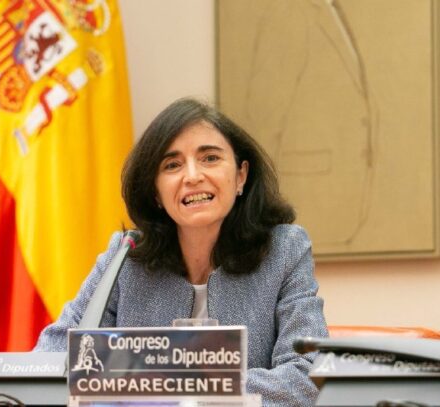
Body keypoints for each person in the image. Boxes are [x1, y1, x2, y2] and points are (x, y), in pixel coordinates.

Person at [35, 97, 328, 406]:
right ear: (155, 192)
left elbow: (307, 374)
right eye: (172, 165)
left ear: (241, 176)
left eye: (210, 158)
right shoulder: (125, 258)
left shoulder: (283, 250)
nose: (192, 176)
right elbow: (53, 358)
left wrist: (186, 388)